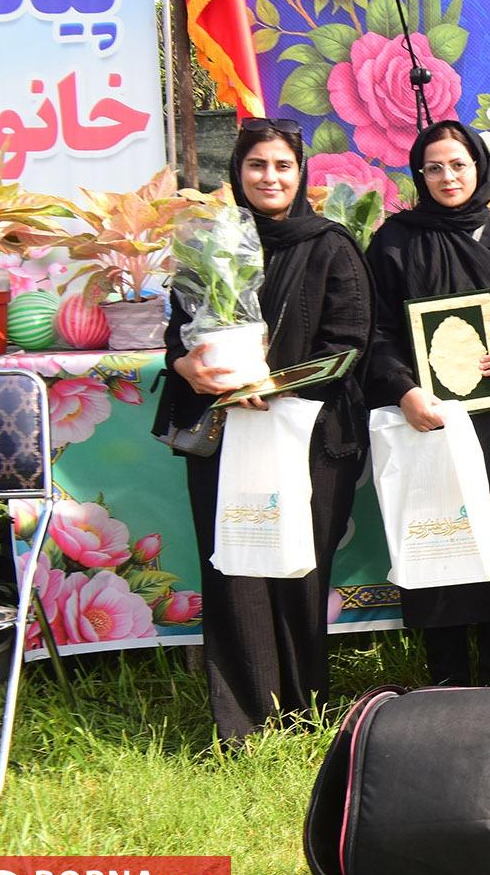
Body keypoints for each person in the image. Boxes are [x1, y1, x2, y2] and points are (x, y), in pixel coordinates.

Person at [152, 119, 373, 743]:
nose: (269, 178)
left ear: (300, 173)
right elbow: (178, 332)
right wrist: (186, 367)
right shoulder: (212, 243)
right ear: (237, 172)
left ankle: (303, 711)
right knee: (234, 569)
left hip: (309, 439)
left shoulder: (330, 247)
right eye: (257, 165)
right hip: (224, 435)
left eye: (282, 166)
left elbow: (348, 345)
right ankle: (244, 721)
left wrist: (270, 384)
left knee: (298, 571)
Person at [364, 120, 490, 686]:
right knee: (442, 543)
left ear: (479, 167)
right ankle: (446, 684)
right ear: (419, 175)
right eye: (434, 168)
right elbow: (374, 331)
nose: (448, 177)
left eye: (458, 164)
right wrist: (403, 390)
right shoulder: (395, 242)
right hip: (429, 422)